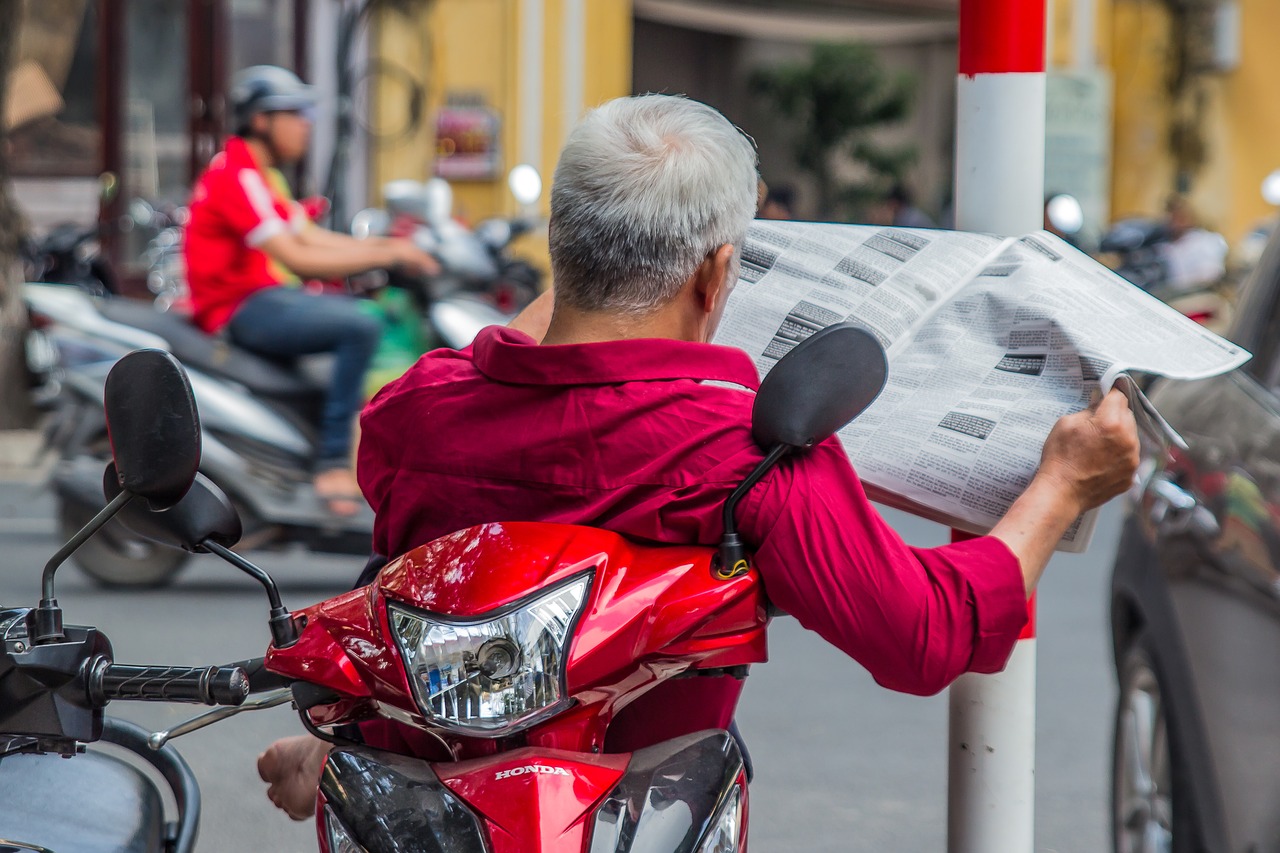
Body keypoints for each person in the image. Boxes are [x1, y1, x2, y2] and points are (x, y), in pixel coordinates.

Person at [258, 94, 1139, 818]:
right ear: (719, 278)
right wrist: (1065, 482)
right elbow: (925, 634)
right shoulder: (739, 456)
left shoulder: (414, 416)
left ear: (562, 247)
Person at [183, 65, 438, 515]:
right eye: (295, 113)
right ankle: (332, 464)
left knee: (352, 312)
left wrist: (389, 247)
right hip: (240, 308)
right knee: (360, 325)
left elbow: (312, 237)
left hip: (266, 297)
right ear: (261, 120)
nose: (306, 124)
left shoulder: (263, 176)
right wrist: (387, 255)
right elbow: (297, 256)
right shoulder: (236, 175)